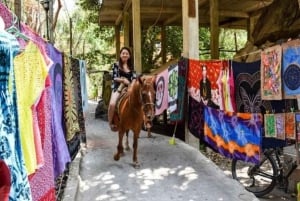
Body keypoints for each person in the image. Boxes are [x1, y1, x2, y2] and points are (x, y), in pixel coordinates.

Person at [108, 47, 136, 131]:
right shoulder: (116, 65)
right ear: (120, 55)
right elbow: (115, 77)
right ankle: (110, 122)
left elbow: (134, 78)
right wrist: (123, 80)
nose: (125, 55)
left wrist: (131, 84)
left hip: (129, 87)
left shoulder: (131, 67)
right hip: (118, 87)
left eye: (127, 53)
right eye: (123, 53)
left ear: (129, 56)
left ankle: (141, 121)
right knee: (112, 104)